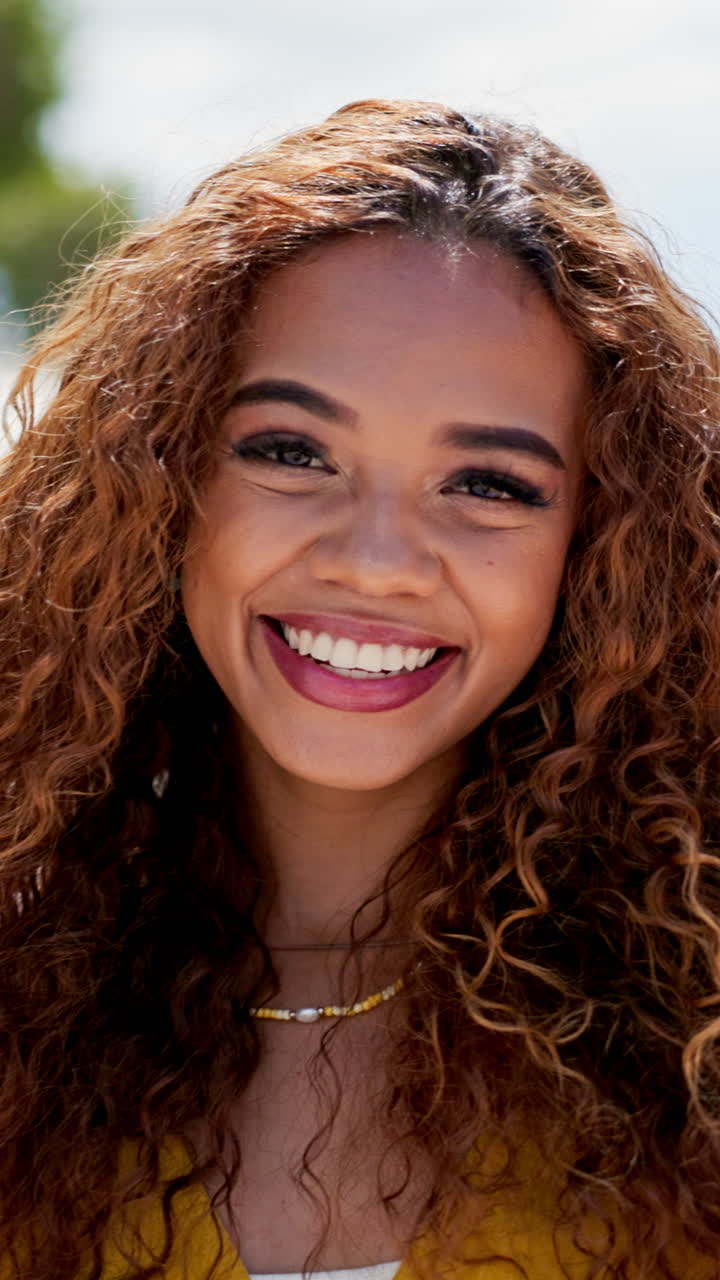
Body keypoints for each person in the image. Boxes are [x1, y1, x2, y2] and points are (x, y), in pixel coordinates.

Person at [1, 97, 719, 1280]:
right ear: (165, 476)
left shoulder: (695, 1050)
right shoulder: (20, 1006)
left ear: (598, 544)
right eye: (291, 450)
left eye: (488, 483)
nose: (377, 558)